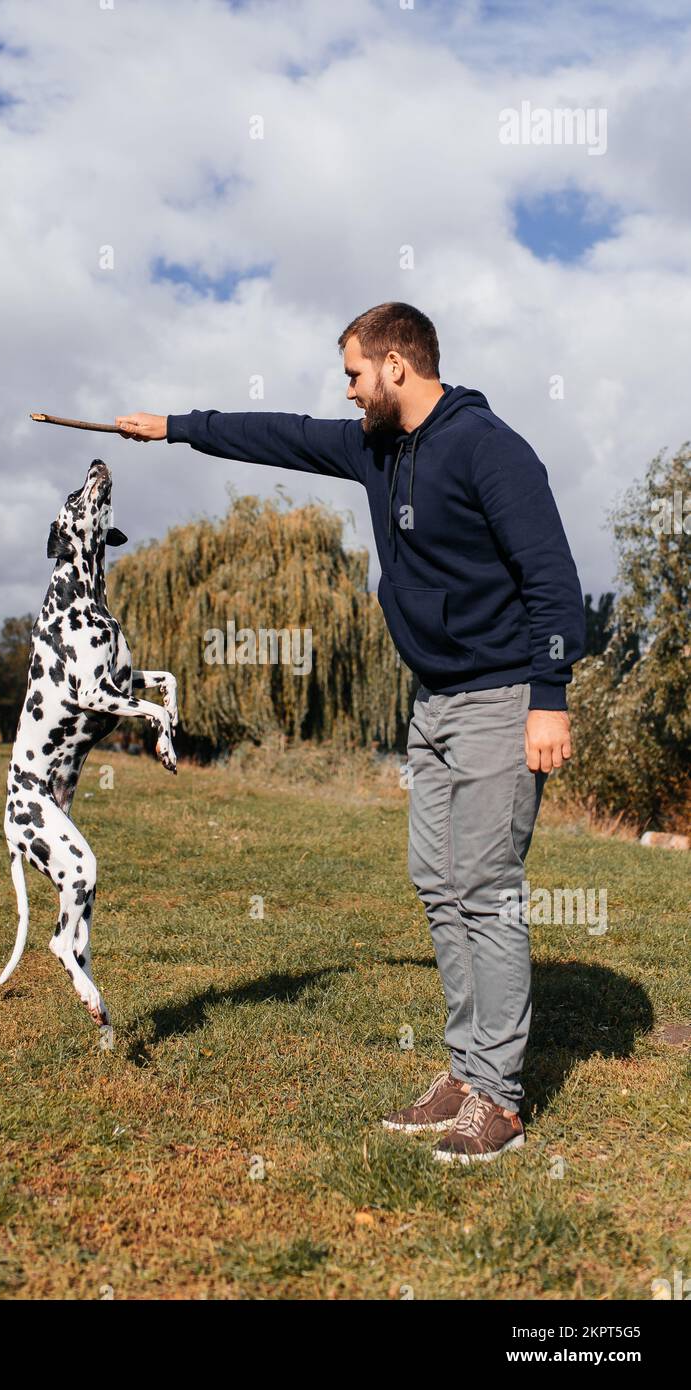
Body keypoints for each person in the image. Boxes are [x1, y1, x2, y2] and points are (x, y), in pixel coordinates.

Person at [113, 301, 586, 1164]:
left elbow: (553, 578)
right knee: (437, 884)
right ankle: (463, 1070)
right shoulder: (376, 447)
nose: (345, 389)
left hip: (501, 697)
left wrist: (548, 696)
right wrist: (175, 428)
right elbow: (281, 435)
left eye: (353, 373)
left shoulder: (489, 449)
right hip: (435, 702)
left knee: (485, 887)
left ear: (396, 365)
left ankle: (501, 1100)